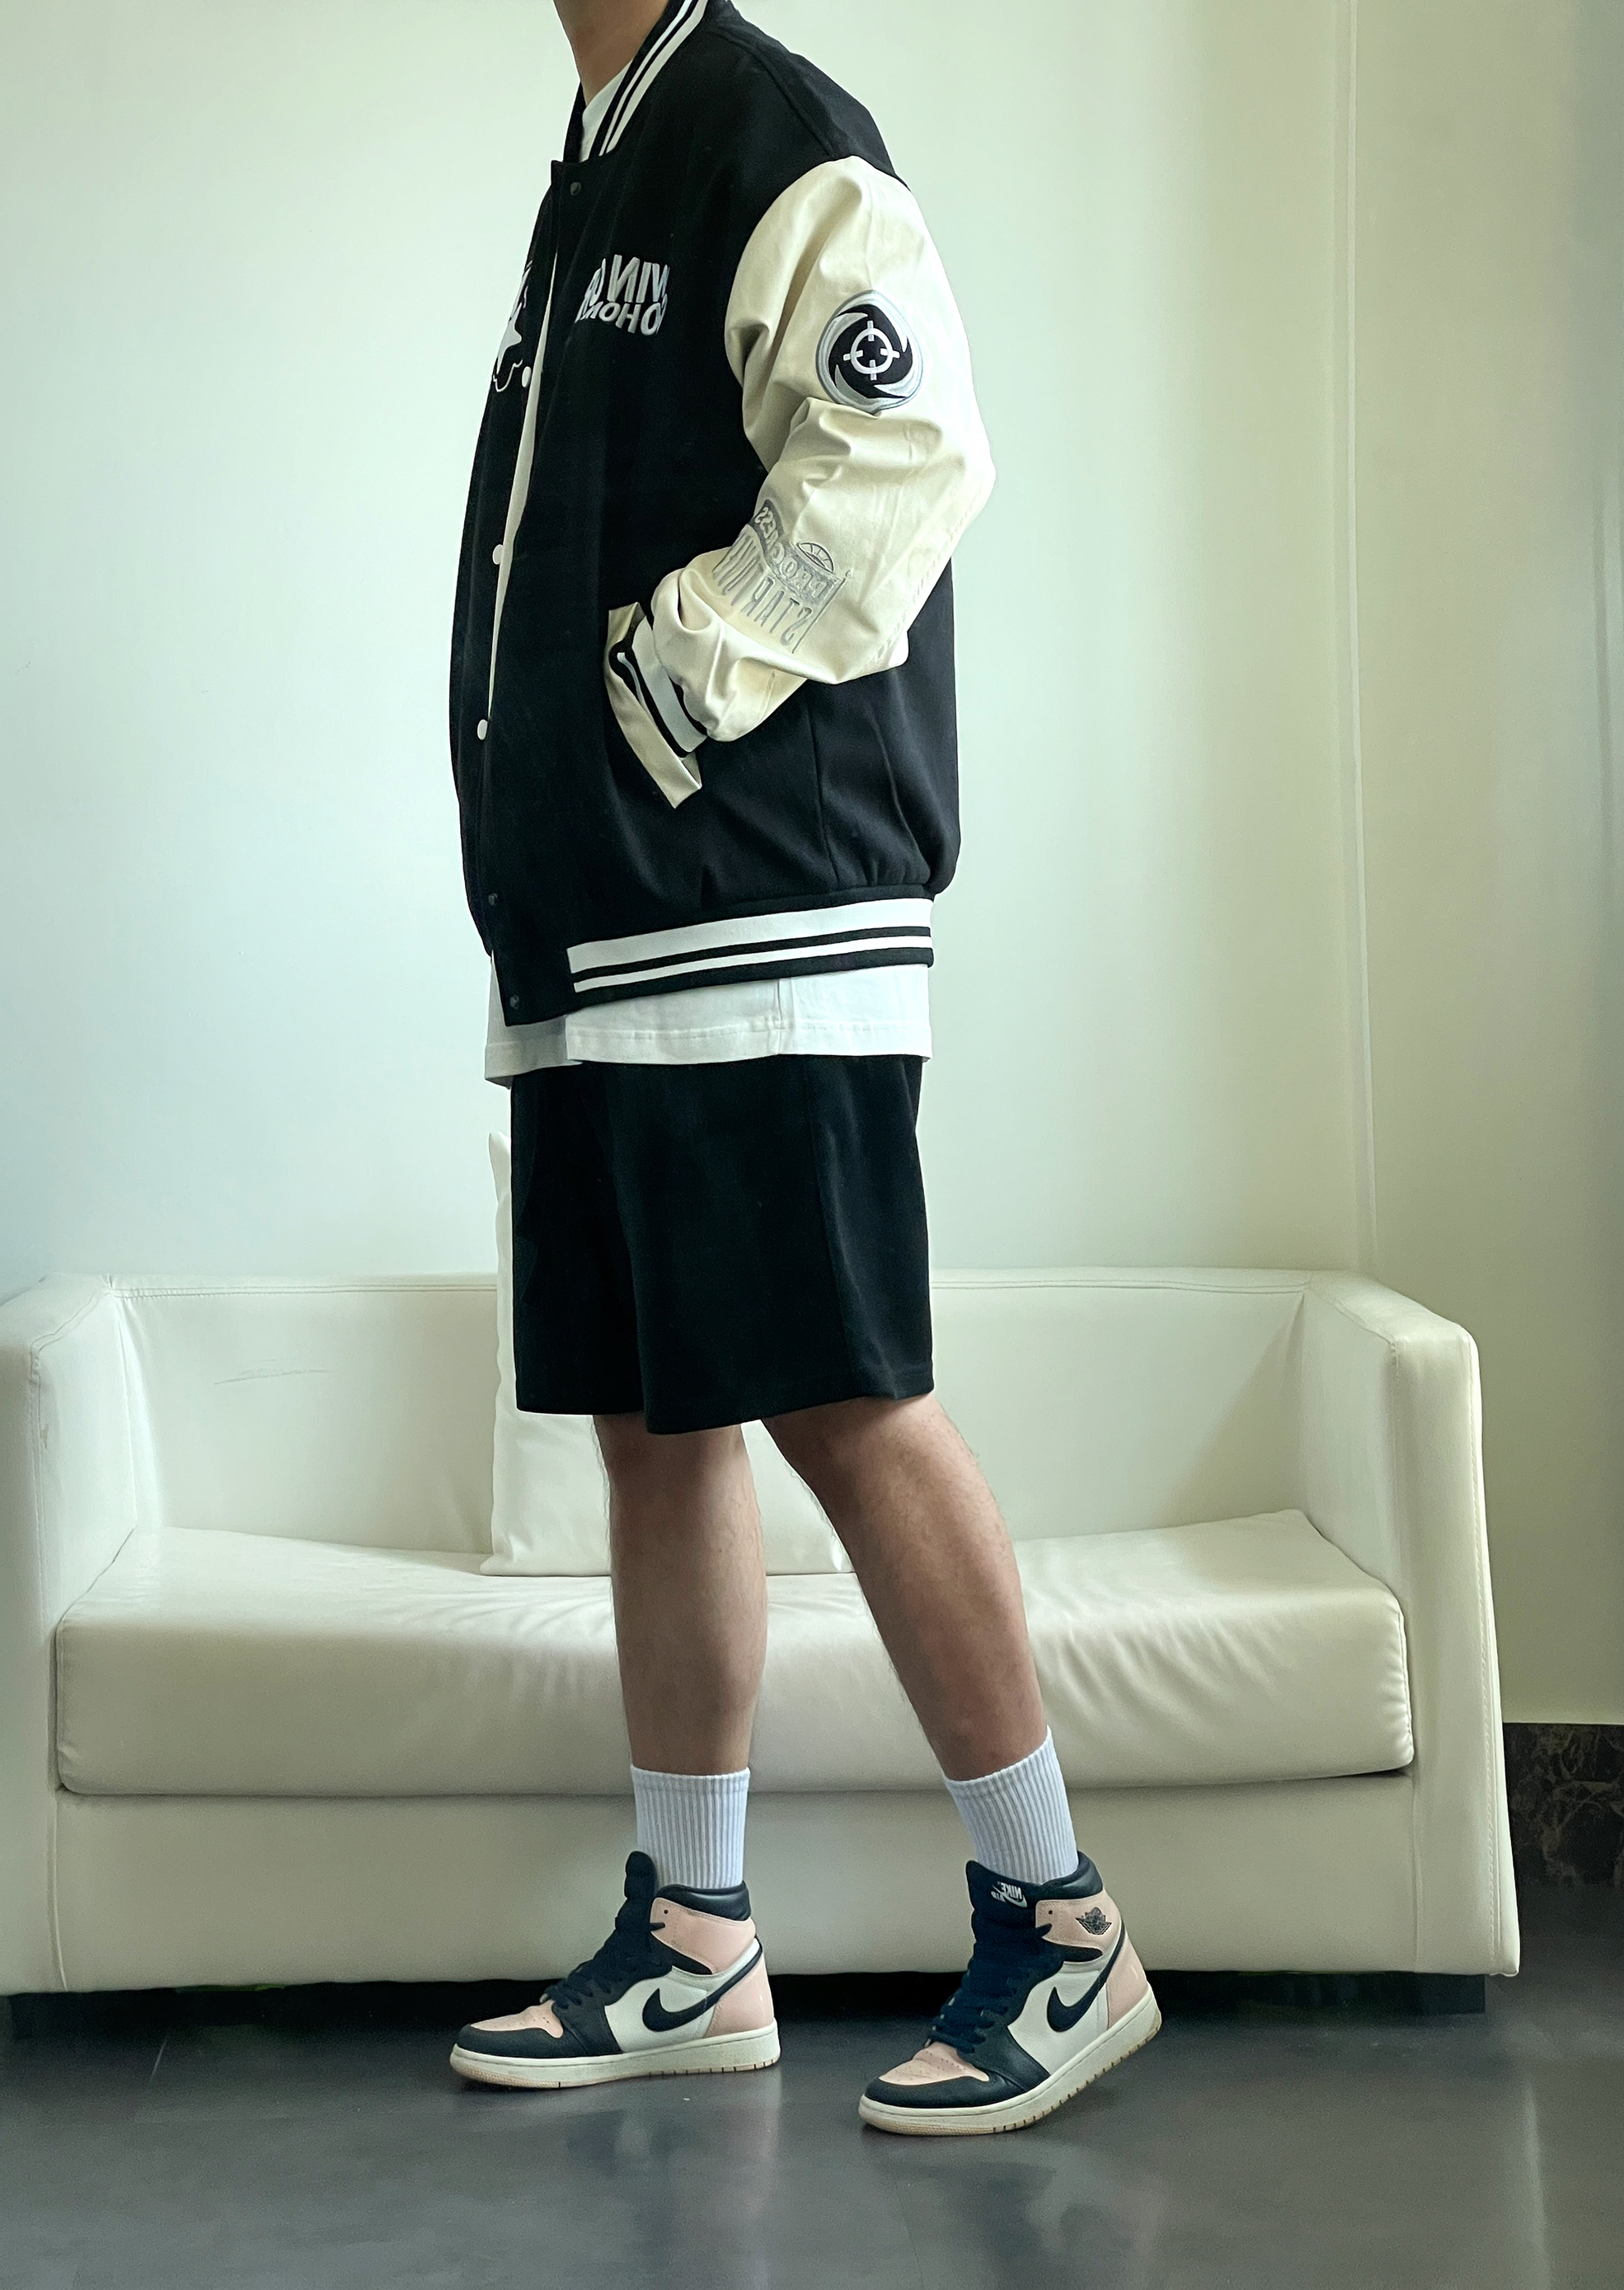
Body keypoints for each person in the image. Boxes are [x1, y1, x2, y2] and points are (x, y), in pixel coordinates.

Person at [444, 0, 1160, 2133]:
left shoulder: (769, 127)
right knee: (654, 1426)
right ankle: (695, 1937)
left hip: (757, 922)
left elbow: (909, 451)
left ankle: (1061, 1926)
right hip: (600, 937)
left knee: (843, 1398)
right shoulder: (602, 154)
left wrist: (664, 684)